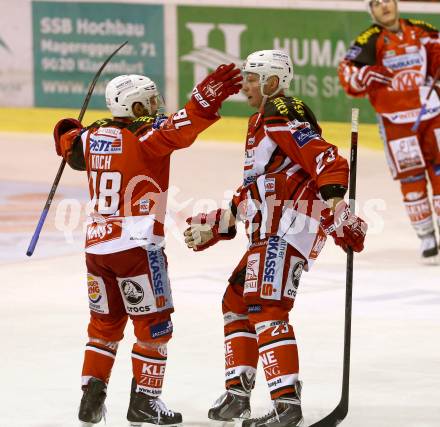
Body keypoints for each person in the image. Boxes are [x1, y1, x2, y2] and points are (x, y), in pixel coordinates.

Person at [184, 50, 367, 426]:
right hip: (267, 229)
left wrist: (337, 210)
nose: (246, 85)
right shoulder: (258, 122)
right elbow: (255, 187)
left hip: (287, 228)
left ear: (271, 82)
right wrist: (221, 223)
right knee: (235, 299)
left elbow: (325, 160)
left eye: (253, 78)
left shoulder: (281, 108)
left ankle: (287, 405)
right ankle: (238, 393)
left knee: (267, 307)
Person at [53, 65, 242, 426]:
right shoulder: (147, 137)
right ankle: (144, 401)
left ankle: (91, 394)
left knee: (104, 325)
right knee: (155, 326)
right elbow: (186, 126)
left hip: (97, 249)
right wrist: (203, 101)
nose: (157, 107)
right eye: (150, 102)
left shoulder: (91, 138)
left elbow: (67, 141)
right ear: (135, 108)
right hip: (137, 248)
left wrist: (70, 129)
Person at [338, 0, 440, 261]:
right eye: (376, 3)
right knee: (411, 179)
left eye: (387, 1)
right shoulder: (369, 39)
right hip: (396, 122)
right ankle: (426, 237)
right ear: (370, 10)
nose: (384, 6)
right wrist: (364, 76)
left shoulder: (421, 30)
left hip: (432, 114)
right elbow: (346, 71)